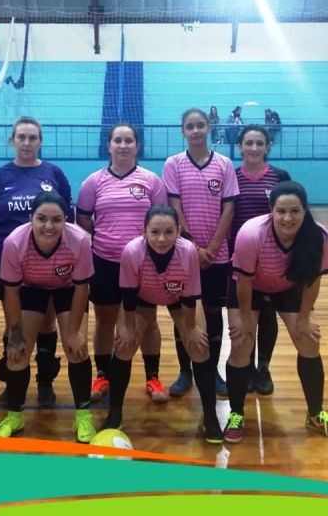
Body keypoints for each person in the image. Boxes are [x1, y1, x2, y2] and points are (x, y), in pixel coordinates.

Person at [223, 180, 328, 443]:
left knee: (309, 341)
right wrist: (245, 319)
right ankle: (236, 414)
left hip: (289, 287)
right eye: (281, 211)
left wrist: (304, 318)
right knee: (241, 343)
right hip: (250, 287)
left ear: (305, 210)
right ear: (271, 212)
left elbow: (313, 281)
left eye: (294, 211)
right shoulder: (251, 233)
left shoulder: (319, 237)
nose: (287, 218)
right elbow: (243, 281)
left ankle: (316, 415)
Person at [104, 204, 224, 442]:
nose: (161, 239)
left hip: (180, 299)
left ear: (178, 231)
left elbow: (190, 296)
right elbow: (128, 295)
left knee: (199, 347)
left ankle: (210, 416)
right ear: (143, 231)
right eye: (155, 232)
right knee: (124, 346)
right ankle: (114, 413)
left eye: (169, 232)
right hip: (142, 297)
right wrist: (128, 329)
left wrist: (190, 330)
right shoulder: (132, 251)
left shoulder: (187, 251)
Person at [0, 192, 96, 443]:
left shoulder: (80, 240)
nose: (49, 226)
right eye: (42, 219)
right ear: (31, 219)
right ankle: (15, 416)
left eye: (57, 219)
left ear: (66, 219)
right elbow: (11, 292)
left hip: (67, 289)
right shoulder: (14, 243)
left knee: (77, 349)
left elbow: (81, 289)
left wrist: (74, 332)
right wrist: (15, 334)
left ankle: (83, 416)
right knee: (17, 352)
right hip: (30, 288)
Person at [76, 123, 169, 403]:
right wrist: (106, 239)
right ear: (109, 145)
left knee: (148, 322)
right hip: (104, 262)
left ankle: (153, 376)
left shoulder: (151, 180)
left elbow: (161, 221)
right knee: (105, 321)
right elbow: (83, 219)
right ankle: (103, 375)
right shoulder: (93, 182)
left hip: (143, 265)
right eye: (118, 140)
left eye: (129, 140)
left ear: (137, 146)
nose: (123, 145)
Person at [0, 116, 69, 409]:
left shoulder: (54, 173)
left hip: (49, 261)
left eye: (33, 137)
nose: (27, 142)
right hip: (9, 263)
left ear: (40, 141)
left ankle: (45, 381)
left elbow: (65, 215)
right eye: (21, 137)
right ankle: (14, 381)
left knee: (46, 320)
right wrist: (7, 248)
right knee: (14, 321)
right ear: (13, 140)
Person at [163, 108, 239, 398]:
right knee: (185, 313)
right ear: (182, 131)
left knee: (212, 312)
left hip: (217, 255)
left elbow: (229, 208)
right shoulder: (173, 164)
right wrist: (193, 247)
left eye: (200, 125)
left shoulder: (224, 164)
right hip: (183, 253)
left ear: (209, 128)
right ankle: (186, 372)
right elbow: (174, 206)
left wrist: (213, 248)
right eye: (190, 126)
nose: (195, 130)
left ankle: (212, 371)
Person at [230, 125, 291, 395]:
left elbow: (290, 215)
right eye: (249, 143)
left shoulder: (279, 177)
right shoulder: (231, 177)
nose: (254, 148)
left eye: (259, 143)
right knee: (247, 312)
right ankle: (246, 367)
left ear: (267, 147)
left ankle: (263, 368)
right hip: (240, 258)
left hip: (271, 258)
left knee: (267, 313)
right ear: (240, 147)